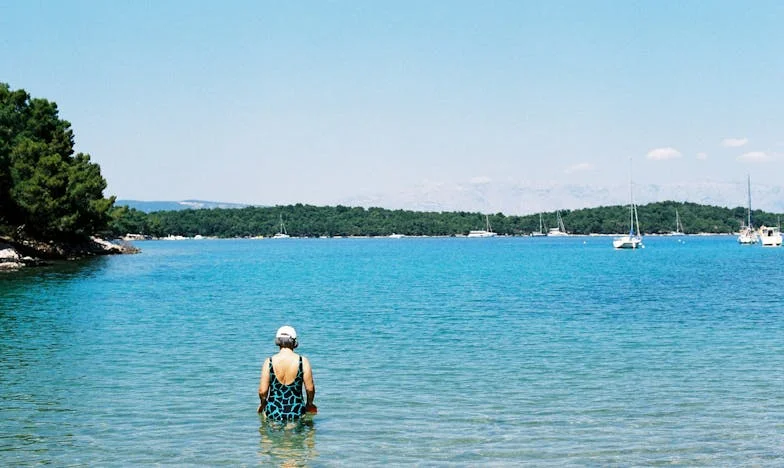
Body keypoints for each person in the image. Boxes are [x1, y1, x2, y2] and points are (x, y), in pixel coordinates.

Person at [258, 325, 317, 420]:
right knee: (296, 428)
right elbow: (310, 389)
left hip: (273, 411)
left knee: (271, 428)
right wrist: (309, 404)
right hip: (296, 411)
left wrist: (263, 404)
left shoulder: (269, 362)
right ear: (294, 342)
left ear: (277, 341)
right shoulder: (303, 361)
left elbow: (262, 391)